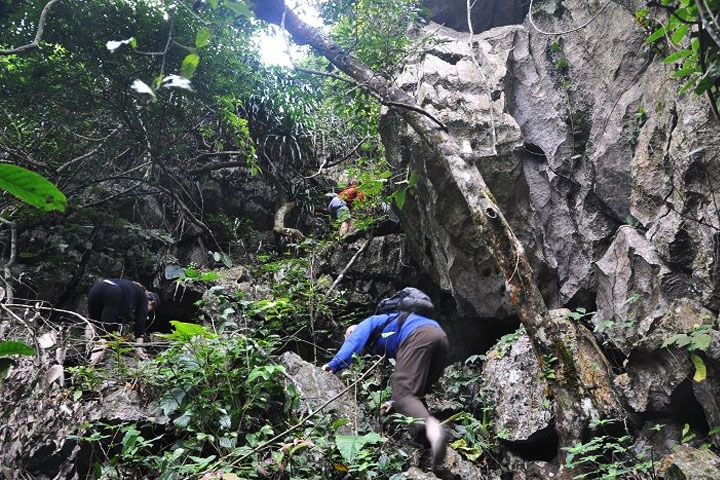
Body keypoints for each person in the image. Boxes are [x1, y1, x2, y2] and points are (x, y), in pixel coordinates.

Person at [322, 299, 449, 466]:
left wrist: (332, 365)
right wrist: (393, 402)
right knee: (413, 394)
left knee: (404, 395)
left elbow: (353, 343)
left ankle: (434, 431)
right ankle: (428, 445)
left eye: (348, 337)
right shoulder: (391, 330)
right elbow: (412, 377)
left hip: (420, 336)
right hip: (440, 337)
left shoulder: (367, 324)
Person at [86, 278, 160, 364]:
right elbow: (141, 323)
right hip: (113, 292)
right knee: (105, 336)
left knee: (93, 322)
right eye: (150, 309)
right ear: (150, 302)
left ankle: (86, 344)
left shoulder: (129, 289)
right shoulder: (144, 297)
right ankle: (91, 364)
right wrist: (139, 348)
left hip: (96, 288)